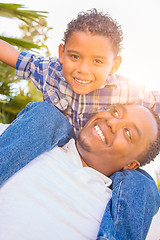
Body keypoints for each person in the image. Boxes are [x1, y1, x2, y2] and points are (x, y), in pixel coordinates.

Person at [0, 103, 160, 240]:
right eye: (115, 112)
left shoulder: (126, 213)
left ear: (131, 164)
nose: (111, 121)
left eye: (128, 133)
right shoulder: (20, 139)